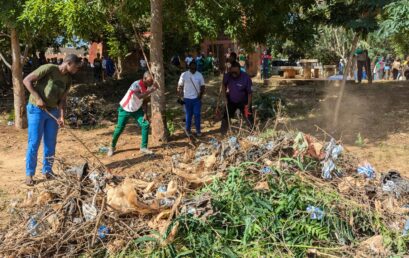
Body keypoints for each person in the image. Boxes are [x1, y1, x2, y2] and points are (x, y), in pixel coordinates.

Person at [22, 54, 82, 186]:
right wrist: (38, 97)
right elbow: (26, 80)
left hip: (52, 111)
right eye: (76, 67)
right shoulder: (49, 68)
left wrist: (61, 116)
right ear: (69, 63)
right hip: (36, 109)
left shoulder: (68, 79)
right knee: (34, 142)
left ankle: (47, 171)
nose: (77, 70)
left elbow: (62, 100)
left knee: (50, 143)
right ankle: (29, 174)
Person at [108, 72, 159, 157]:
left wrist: (145, 114)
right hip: (125, 108)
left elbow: (145, 101)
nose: (151, 82)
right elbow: (139, 96)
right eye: (150, 80)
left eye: (152, 80)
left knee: (145, 124)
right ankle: (112, 147)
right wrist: (153, 89)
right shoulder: (136, 84)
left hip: (137, 109)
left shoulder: (149, 86)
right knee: (119, 129)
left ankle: (143, 147)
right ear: (144, 78)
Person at [220, 61, 253, 135]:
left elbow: (250, 93)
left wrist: (248, 105)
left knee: (248, 117)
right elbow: (223, 84)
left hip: (244, 101)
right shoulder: (228, 75)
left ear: (239, 70)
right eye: (232, 72)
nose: (234, 74)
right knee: (226, 116)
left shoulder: (246, 78)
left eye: (236, 72)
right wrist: (224, 97)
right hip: (231, 100)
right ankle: (223, 133)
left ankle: (251, 132)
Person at [178, 61, 205, 137]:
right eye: (192, 68)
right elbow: (180, 86)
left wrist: (201, 95)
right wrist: (180, 95)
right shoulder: (184, 75)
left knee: (197, 114)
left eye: (194, 68)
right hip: (187, 99)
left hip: (196, 99)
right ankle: (188, 130)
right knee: (188, 115)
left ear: (196, 67)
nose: (193, 69)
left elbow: (202, 86)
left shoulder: (199, 75)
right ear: (189, 67)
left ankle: (198, 131)